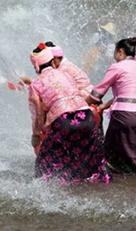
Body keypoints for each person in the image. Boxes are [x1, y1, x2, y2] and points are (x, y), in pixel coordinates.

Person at [28, 43, 109, 183]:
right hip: (87, 116)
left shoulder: (35, 84)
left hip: (64, 121)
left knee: (45, 162)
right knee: (90, 156)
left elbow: (38, 114)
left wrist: (36, 134)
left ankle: (46, 189)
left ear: (36, 67)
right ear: (53, 61)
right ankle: (99, 182)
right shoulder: (65, 73)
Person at [86, 37, 136, 176]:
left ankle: (111, 179)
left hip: (125, 116)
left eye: (115, 53)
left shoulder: (117, 67)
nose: (114, 57)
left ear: (120, 52)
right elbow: (130, 95)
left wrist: (82, 102)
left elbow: (98, 93)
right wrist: (104, 106)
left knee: (111, 150)